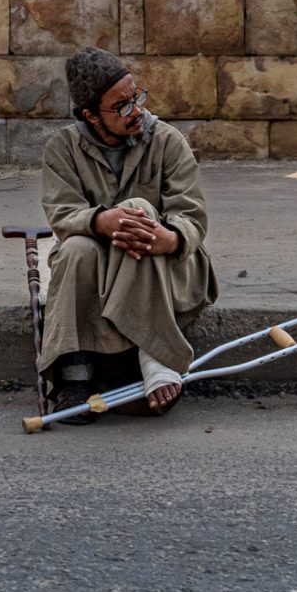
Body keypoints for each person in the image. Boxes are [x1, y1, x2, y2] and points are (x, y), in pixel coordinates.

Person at [38, 48, 219, 419]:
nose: (135, 110)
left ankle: (156, 358)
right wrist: (100, 221)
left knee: (139, 210)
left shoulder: (167, 140)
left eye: (136, 96)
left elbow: (192, 216)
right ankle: (75, 377)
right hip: (98, 269)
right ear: (91, 115)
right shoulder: (62, 148)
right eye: (121, 106)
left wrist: (171, 237)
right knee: (75, 250)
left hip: (170, 266)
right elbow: (63, 214)